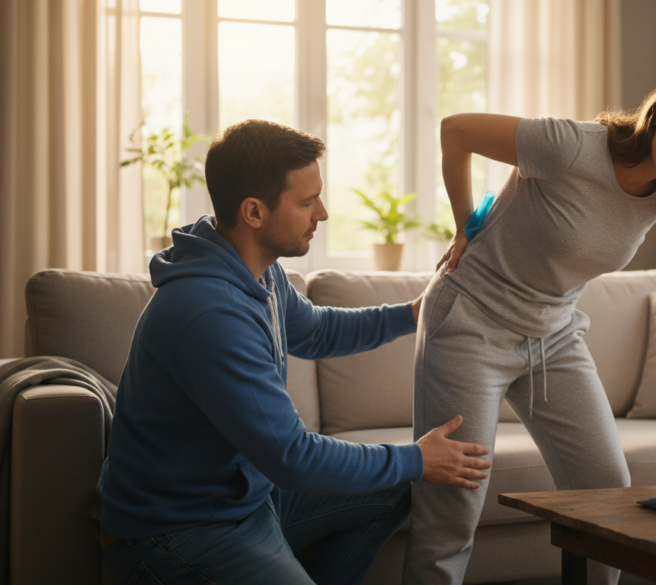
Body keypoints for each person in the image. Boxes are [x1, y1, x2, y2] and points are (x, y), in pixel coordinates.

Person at [97, 119, 492, 585]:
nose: (322, 213)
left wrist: (411, 313)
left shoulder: (257, 271)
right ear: (254, 212)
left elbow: (317, 331)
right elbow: (291, 456)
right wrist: (418, 457)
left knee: (399, 488)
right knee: (409, 471)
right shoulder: (209, 314)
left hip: (246, 501)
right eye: (307, 202)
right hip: (177, 530)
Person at [403, 69, 656, 584]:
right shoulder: (569, 145)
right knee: (451, 509)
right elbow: (456, 130)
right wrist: (465, 225)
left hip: (553, 334)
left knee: (606, 489)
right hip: (469, 324)